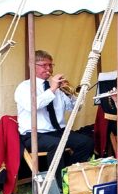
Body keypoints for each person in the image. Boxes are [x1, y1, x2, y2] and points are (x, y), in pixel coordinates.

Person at [14, 50, 94, 181]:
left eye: (51, 65)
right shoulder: (24, 87)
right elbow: (32, 106)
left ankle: (70, 176)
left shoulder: (57, 89)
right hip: (35, 134)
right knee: (56, 144)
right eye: (44, 65)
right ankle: (58, 184)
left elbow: (75, 108)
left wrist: (71, 95)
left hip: (58, 131)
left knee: (86, 142)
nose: (48, 69)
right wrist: (52, 89)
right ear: (32, 65)